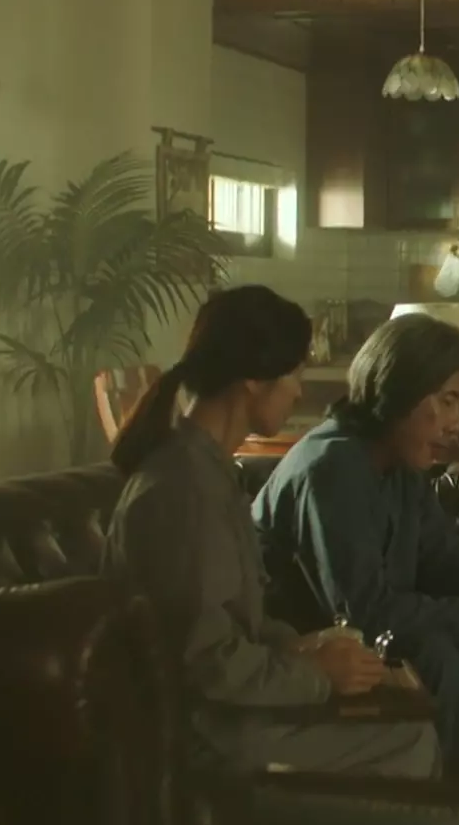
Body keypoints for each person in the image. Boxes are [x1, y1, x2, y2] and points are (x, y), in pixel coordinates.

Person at [103, 285, 440, 780]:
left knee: (403, 705)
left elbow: (239, 624)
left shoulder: (211, 471)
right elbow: (208, 663)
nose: (300, 391)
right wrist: (318, 676)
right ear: (254, 381)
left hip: (228, 708)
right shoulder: (183, 490)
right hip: (203, 729)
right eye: (295, 373)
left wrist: (305, 646)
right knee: (410, 737)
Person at [252, 313, 459, 786]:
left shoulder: (399, 462)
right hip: (307, 644)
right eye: (448, 401)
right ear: (398, 390)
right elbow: (362, 613)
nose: (457, 424)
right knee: (438, 656)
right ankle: (443, 808)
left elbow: (442, 559)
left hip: (381, 623)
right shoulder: (332, 467)